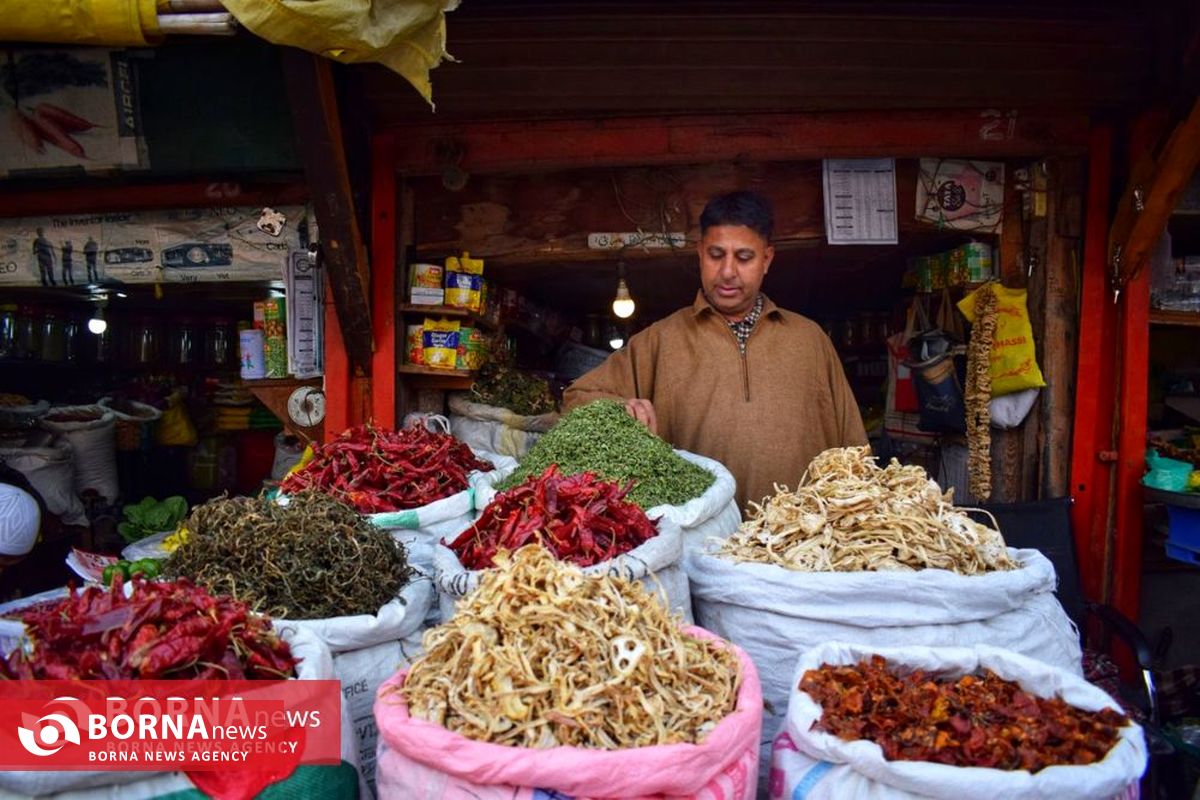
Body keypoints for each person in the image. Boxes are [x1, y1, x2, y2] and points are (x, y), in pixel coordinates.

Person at [563, 190, 867, 511]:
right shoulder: (661, 340)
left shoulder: (809, 340)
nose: (727, 271)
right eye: (716, 254)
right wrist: (621, 408)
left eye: (744, 257)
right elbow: (576, 396)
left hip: (802, 542)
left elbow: (855, 452)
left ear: (767, 259)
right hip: (699, 545)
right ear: (700, 253)